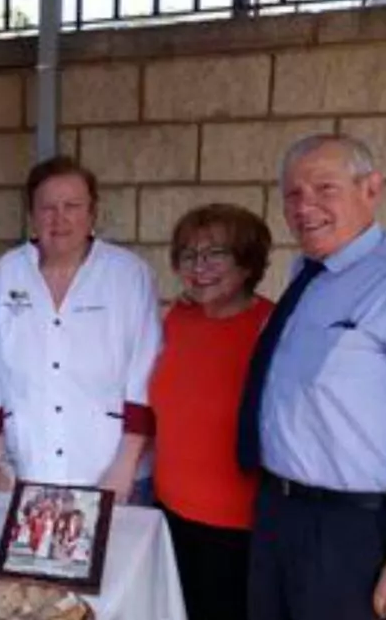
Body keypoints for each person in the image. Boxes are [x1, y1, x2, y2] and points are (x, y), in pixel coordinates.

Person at [240, 133, 386, 620]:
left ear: (371, 189)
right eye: (293, 194)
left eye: (325, 188)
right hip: (279, 513)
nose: (304, 206)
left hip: (354, 532)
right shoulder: (306, 272)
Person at [0, 156, 162, 503]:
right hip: (25, 470)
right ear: (32, 215)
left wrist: (125, 466)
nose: (59, 219)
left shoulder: (129, 275)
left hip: (112, 474)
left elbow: (146, 377)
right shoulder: (5, 274)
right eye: (48, 208)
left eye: (72, 206)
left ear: (92, 212)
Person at [149, 203, 274, 620]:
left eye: (215, 254)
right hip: (167, 512)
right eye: (188, 255)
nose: (199, 267)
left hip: (235, 525)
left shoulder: (271, 328)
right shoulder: (177, 319)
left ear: (247, 261)